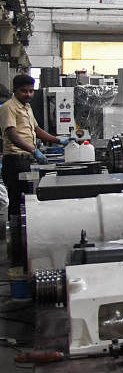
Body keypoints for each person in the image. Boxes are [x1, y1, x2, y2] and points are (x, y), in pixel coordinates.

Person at [2, 74, 68, 263]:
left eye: (31, 91)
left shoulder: (27, 107)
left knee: (28, 202)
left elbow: (36, 130)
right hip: (14, 160)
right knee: (16, 203)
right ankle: (15, 247)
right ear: (15, 90)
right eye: (24, 91)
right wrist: (35, 151)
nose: (28, 94)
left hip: (26, 159)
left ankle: (27, 242)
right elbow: (12, 134)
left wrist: (58, 140)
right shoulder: (9, 108)